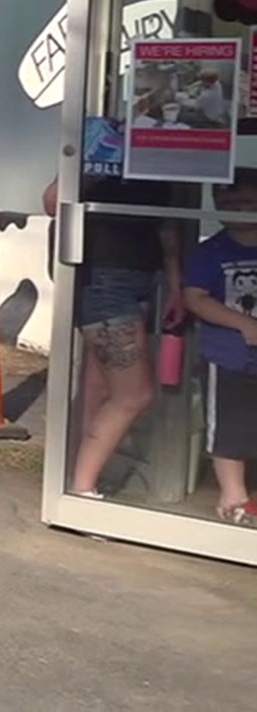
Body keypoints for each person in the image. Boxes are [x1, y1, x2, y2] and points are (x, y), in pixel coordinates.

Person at [44, 167, 185, 499]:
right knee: (133, 395)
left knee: (100, 385)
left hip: (141, 277)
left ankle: (82, 475)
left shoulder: (152, 153)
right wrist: (89, 168)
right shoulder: (95, 148)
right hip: (104, 279)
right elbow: (53, 202)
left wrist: (175, 281)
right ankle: (82, 488)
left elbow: (165, 221)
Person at [180, 169, 257, 525]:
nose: (239, 208)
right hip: (227, 356)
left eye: (247, 201)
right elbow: (195, 298)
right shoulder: (210, 251)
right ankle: (233, 493)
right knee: (228, 426)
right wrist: (242, 323)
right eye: (228, 202)